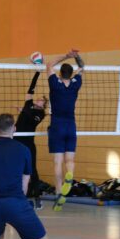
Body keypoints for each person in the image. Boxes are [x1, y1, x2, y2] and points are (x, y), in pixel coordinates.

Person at [45, 49, 84, 211]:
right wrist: (76, 57)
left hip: (57, 125)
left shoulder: (55, 84)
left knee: (57, 161)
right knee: (69, 160)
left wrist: (66, 56)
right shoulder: (75, 84)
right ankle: (70, 175)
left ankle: (59, 192)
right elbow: (82, 66)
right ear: (71, 73)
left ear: (60, 73)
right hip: (71, 125)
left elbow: (49, 64)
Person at [14, 70, 48, 209]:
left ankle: (37, 198)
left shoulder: (41, 113)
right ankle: (19, 195)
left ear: (44, 105)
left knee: (32, 169)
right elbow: (30, 89)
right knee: (16, 168)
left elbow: (31, 119)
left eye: (42, 100)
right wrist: (37, 73)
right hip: (16, 141)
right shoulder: (28, 105)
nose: (39, 99)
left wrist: (22, 110)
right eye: (39, 98)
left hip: (28, 144)